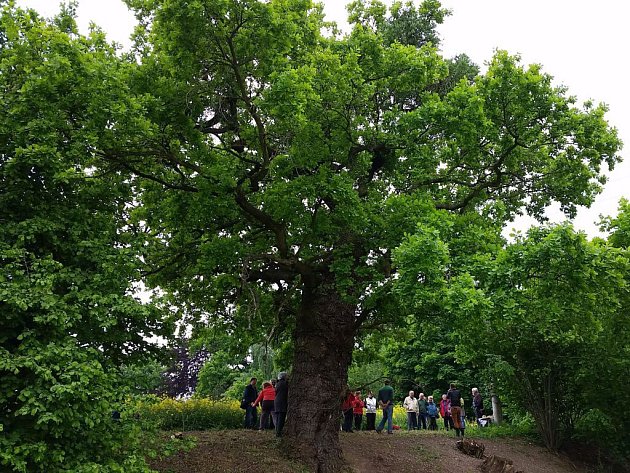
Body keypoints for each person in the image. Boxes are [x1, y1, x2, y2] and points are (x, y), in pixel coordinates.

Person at [274, 372, 288, 437]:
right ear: (284, 377)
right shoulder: (284, 384)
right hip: (282, 402)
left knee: (278, 418)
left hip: (277, 402)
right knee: (281, 419)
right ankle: (279, 433)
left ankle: (277, 432)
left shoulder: (278, 384)